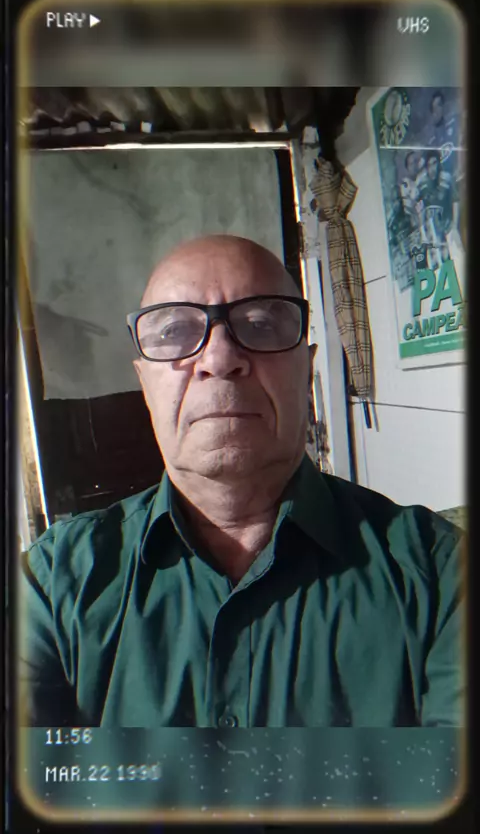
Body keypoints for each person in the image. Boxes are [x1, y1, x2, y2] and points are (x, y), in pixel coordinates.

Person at [19, 235, 465, 728]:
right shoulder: (52, 585)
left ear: (307, 369)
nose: (218, 358)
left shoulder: (441, 577)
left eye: (260, 324)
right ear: (145, 383)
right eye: (174, 330)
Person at [417, 151, 462, 270]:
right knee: (438, 265)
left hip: (448, 228)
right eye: (429, 165)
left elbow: (455, 201)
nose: (432, 168)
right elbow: (421, 210)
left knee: (457, 261)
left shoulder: (447, 178)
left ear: (438, 164)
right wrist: (423, 233)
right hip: (434, 233)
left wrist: (454, 226)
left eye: (434, 163)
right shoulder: (422, 184)